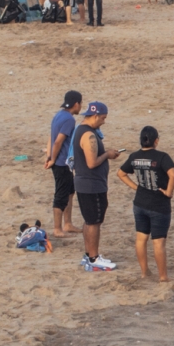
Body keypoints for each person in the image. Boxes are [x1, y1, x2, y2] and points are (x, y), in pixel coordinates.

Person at [116, 124, 174, 282]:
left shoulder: (135, 156)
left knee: (141, 238)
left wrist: (136, 187)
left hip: (140, 203)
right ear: (156, 141)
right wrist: (169, 192)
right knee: (158, 242)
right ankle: (163, 277)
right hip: (159, 205)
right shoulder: (162, 157)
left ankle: (144, 272)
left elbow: (121, 173)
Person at [70, 100, 120, 270]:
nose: (104, 122)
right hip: (91, 185)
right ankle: (93, 258)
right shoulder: (89, 135)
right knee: (94, 222)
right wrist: (107, 154)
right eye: (103, 118)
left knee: (89, 220)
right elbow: (92, 162)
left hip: (86, 184)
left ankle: (88, 254)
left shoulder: (81, 131)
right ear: (96, 115)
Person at [45, 89, 82, 236]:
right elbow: (58, 140)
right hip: (61, 163)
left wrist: (48, 156)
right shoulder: (69, 120)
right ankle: (57, 228)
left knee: (70, 192)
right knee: (61, 195)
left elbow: (51, 137)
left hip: (60, 161)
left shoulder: (59, 115)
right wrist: (53, 159)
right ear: (76, 104)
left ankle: (67, 224)